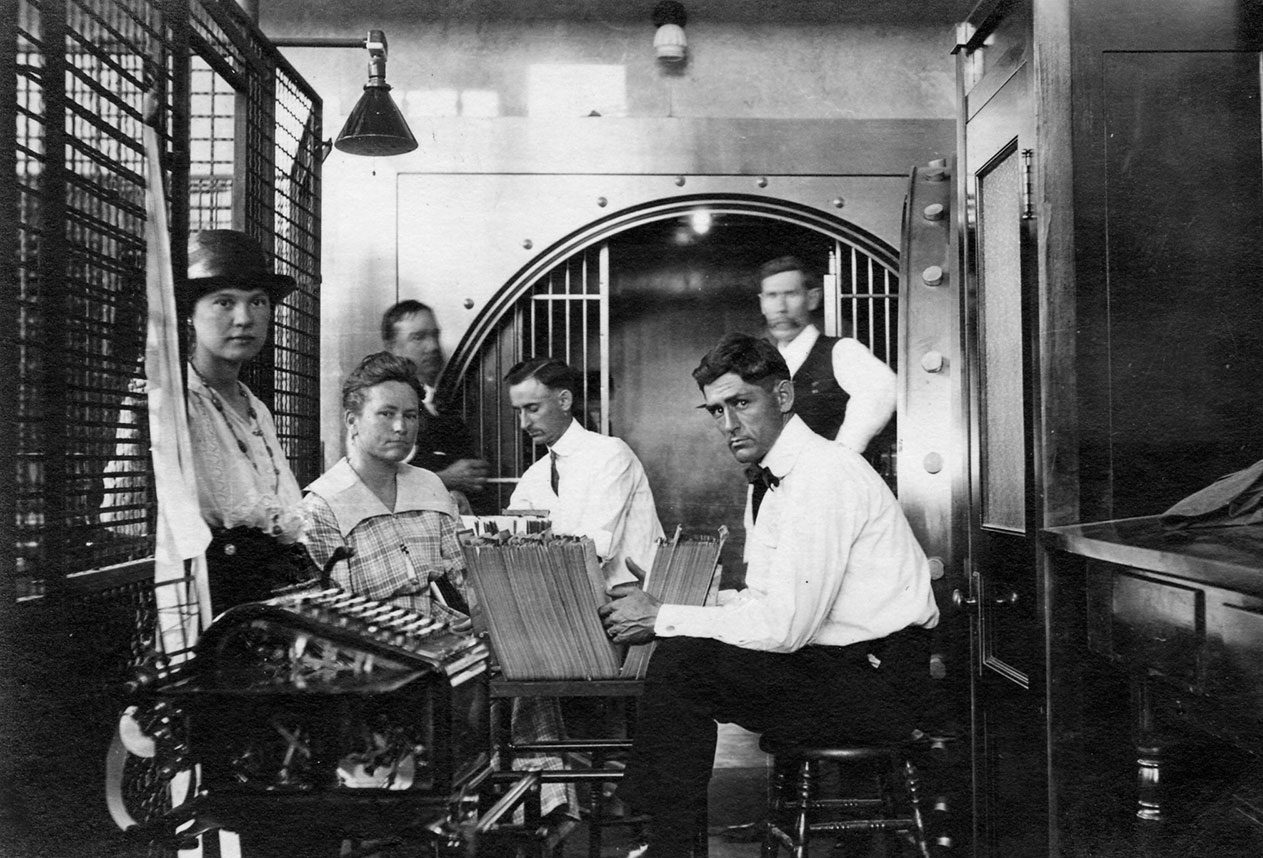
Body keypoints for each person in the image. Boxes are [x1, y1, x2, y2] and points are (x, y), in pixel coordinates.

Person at [599, 333, 939, 856]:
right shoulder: (781, 479)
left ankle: (665, 839)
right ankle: (666, 836)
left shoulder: (824, 474)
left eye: (741, 403)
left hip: (881, 684)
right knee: (684, 655)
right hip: (843, 668)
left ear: (782, 397)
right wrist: (686, 605)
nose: (729, 425)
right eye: (715, 410)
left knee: (685, 660)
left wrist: (667, 616)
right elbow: (767, 601)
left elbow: (784, 627)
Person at [302, 352, 576, 826]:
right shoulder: (322, 505)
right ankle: (463, 809)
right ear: (352, 420)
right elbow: (327, 616)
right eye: (385, 414)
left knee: (522, 659)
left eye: (410, 416)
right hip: (373, 653)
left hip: (442, 637)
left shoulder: (431, 487)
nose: (400, 428)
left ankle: (531, 807)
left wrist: (499, 625)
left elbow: (466, 580)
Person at [183, 229, 311, 616]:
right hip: (200, 602)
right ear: (189, 313)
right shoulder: (171, 401)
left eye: (257, 302)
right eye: (224, 302)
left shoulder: (256, 407)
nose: (244, 318)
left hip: (265, 602)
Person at [505, 358, 664, 595]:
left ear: (564, 400)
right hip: (575, 600)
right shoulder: (533, 476)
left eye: (533, 408)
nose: (523, 423)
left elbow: (593, 550)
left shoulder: (611, 454)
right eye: (518, 411)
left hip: (638, 605)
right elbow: (510, 546)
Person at [757, 255, 896, 455]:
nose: (781, 308)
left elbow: (883, 389)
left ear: (812, 298)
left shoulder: (841, 351)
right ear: (762, 303)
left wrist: (841, 455)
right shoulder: (764, 363)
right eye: (771, 296)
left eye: (791, 294)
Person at [381, 300, 490, 513]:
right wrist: (446, 479)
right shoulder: (384, 408)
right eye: (418, 337)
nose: (432, 346)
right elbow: (377, 485)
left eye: (434, 335)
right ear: (392, 347)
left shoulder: (438, 404)